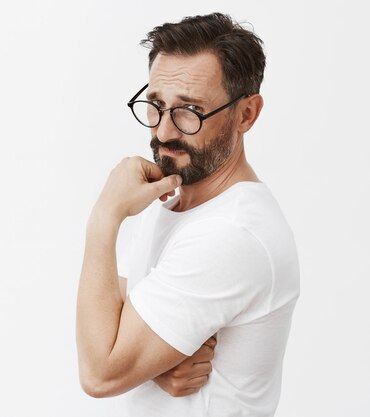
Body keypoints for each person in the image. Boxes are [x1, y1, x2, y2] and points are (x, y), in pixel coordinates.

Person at [75, 12, 300, 417]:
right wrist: (151, 363)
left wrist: (103, 219)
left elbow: (99, 372)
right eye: (157, 106)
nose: (163, 133)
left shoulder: (231, 233)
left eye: (189, 111)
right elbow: (107, 320)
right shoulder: (173, 197)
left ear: (246, 114)